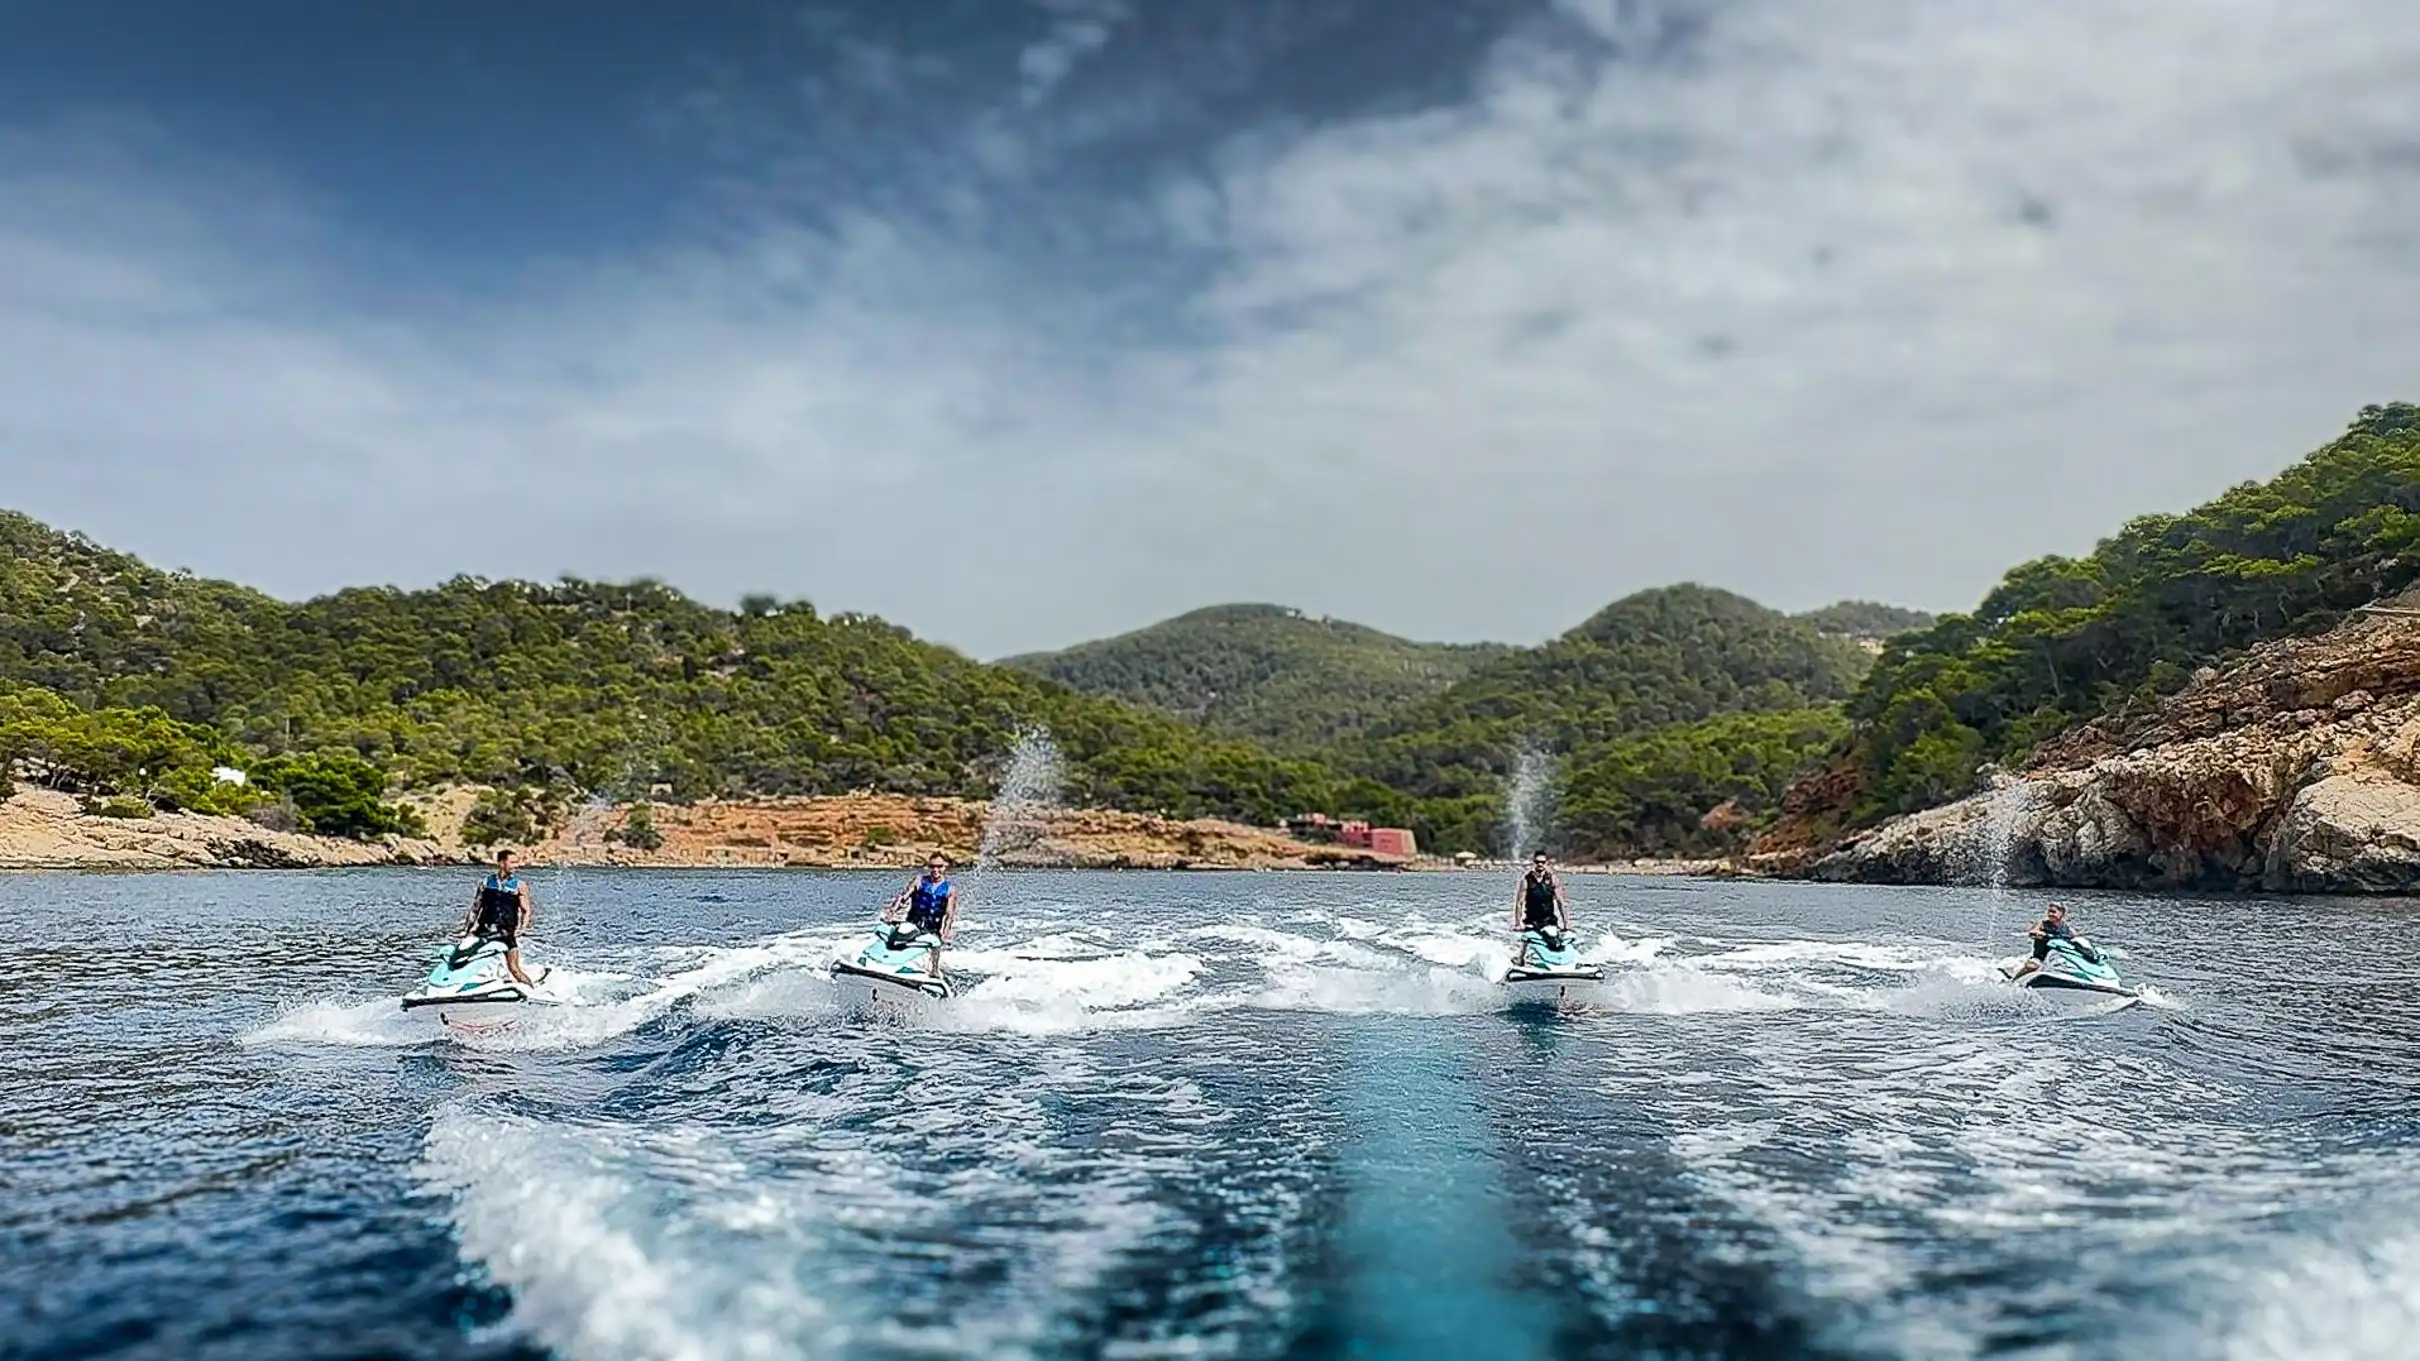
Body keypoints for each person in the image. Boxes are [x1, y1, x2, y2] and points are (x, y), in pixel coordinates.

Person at [464, 849, 537, 986]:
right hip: (484, 931)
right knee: (464, 959)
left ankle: (532, 989)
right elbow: (474, 909)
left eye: (517, 862)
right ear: (502, 863)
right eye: (513, 862)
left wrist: (522, 928)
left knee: (515, 970)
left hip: (506, 934)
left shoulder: (520, 886)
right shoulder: (486, 883)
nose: (516, 865)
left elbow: (526, 911)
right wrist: (466, 931)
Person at [882, 853, 960, 981]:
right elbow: (903, 898)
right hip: (914, 922)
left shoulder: (950, 889)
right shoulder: (919, 881)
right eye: (932, 866)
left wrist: (945, 932)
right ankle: (884, 960)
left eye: (939, 866)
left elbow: (949, 914)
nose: (935, 870)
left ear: (944, 867)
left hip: (933, 927)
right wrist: (891, 914)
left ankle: (934, 972)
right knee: (900, 936)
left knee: (936, 943)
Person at [1513, 850, 1570, 961]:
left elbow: (1560, 902)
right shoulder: (1526, 880)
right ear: (1534, 863)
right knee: (1528, 937)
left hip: (1548, 919)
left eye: (1542, 862)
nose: (1540, 864)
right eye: (1537, 862)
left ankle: (1560, 960)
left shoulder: (1553, 879)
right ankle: (1520, 959)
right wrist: (1517, 923)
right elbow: (1519, 903)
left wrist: (1566, 923)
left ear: (1546, 863)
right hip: (1531, 919)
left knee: (1553, 938)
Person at [2014, 901, 2094, 977]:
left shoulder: (2066, 927)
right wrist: (2039, 933)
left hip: (2059, 956)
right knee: (2033, 965)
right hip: (2041, 957)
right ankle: (2012, 981)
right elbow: (2033, 931)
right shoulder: (2042, 924)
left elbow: (2075, 937)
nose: (2050, 914)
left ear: (2062, 913)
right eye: (2049, 911)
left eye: (2053, 912)